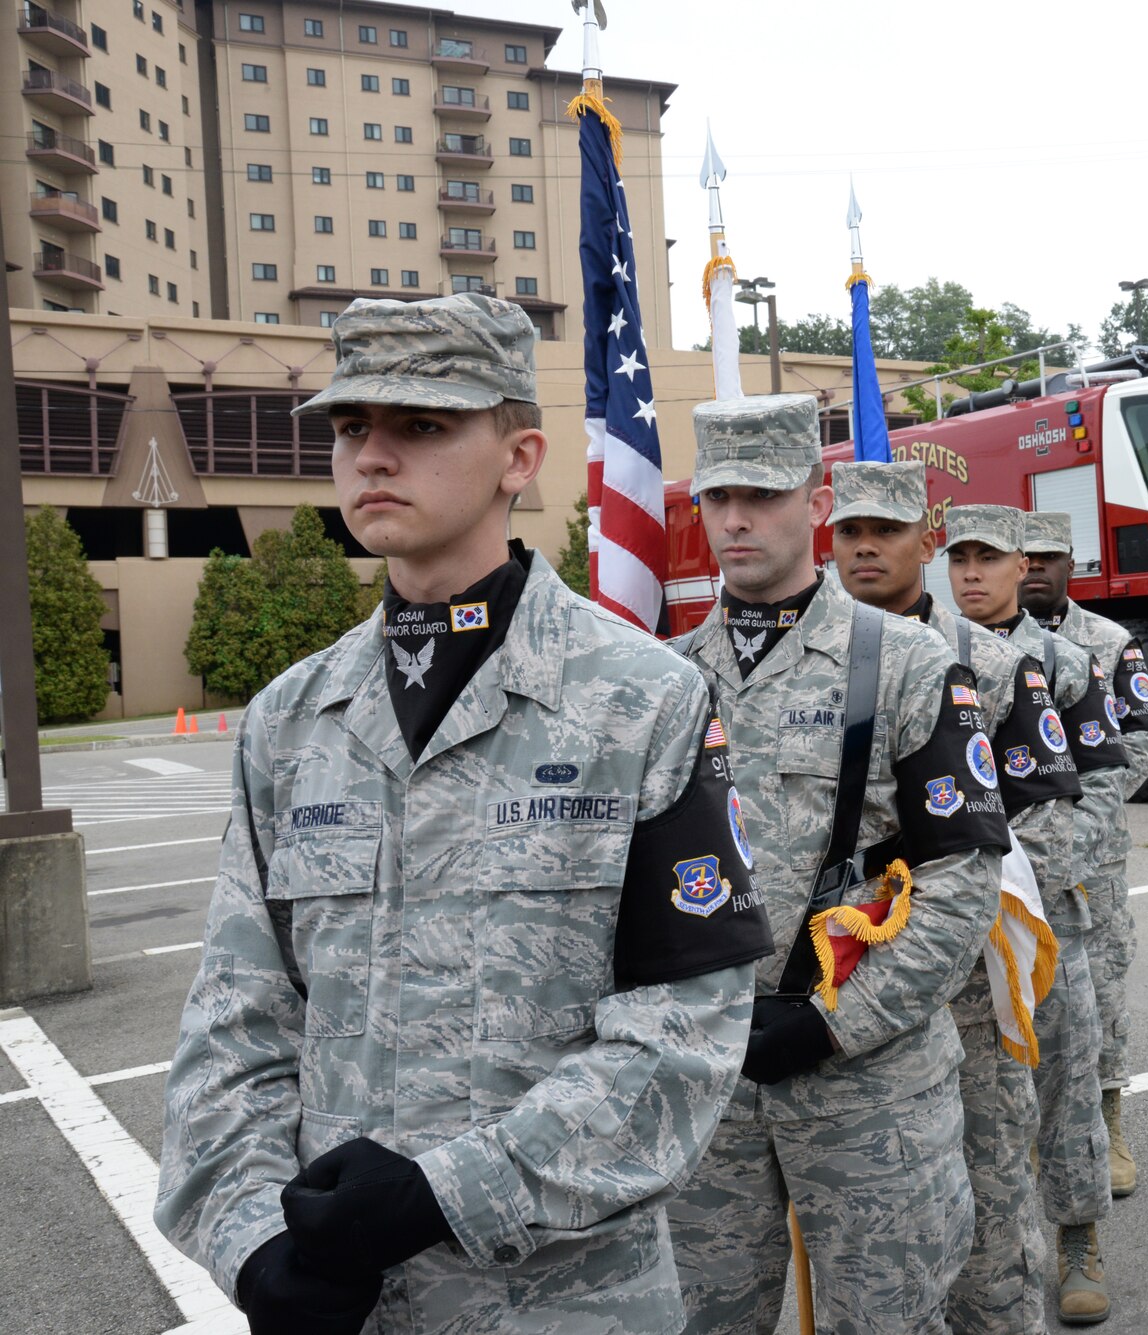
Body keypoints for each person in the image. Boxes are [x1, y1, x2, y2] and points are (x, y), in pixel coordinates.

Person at [153, 292, 773, 1335]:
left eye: (422, 426)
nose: (373, 457)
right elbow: (235, 1025)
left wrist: (446, 1191)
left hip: (567, 1302)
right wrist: (252, 1241)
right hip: (342, 1304)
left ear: (519, 456)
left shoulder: (640, 698)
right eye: (353, 428)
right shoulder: (291, 719)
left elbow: (683, 1039)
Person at [665, 395, 1010, 1335]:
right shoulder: (661, 678)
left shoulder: (906, 663)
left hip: (871, 1085)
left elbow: (959, 887)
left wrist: (829, 1024)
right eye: (717, 496)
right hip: (709, 1084)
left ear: (814, 503)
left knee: (888, 1318)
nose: (734, 519)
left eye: (762, 494)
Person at [828, 461, 1080, 1335]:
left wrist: (931, 896)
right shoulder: (810, 658)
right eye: (849, 531)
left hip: (968, 975)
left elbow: (1040, 826)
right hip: (838, 977)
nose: (866, 547)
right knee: (875, 1212)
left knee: (990, 1171)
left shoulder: (998, 665)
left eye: (886, 530)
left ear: (920, 544)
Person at [945, 503, 1126, 1326]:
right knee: (974, 1104)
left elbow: (1099, 790)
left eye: (989, 557)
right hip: (952, 931)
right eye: (960, 557)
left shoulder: (1067, 661)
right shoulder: (929, 655)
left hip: (1048, 914)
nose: (971, 572)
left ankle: (1079, 1236)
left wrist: (1020, 890)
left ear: (1024, 564)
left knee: (1065, 1078)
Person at [1020, 512, 1148, 1199]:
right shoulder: (979, 646)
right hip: (1011, 857)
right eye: (1028, 556)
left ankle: (1108, 1119)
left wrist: (1072, 826)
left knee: (1100, 989)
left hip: (1091, 858)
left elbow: (1141, 742)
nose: (1038, 568)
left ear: (1071, 565)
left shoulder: (1108, 643)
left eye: (1051, 556)